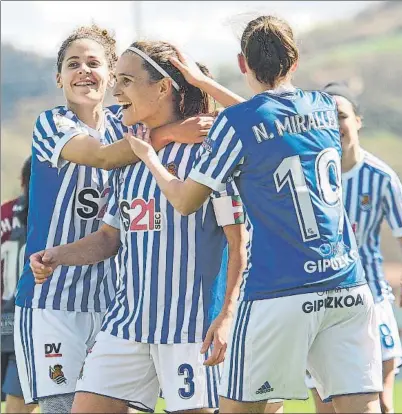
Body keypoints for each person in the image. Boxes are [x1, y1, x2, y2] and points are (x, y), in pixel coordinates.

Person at [125, 15, 384, 414]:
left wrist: (150, 159)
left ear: (243, 64)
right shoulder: (325, 107)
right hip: (347, 287)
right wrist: (205, 84)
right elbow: (269, 117)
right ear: (294, 62)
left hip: (279, 292)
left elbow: (184, 200)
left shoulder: (237, 123)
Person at [30, 40, 248, 414]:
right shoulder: (130, 158)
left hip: (190, 329)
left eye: (126, 80)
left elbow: (239, 240)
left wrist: (227, 315)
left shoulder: (208, 151)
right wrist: (57, 256)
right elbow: (109, 238)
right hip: (126, 325)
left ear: (162, 87)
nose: (116, 91)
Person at [305, 82, 402, 414]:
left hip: (373, 298)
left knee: (381, 402)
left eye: (341, 116)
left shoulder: (379, 175)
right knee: (328, 407)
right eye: (326, 117)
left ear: (357, 120)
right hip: (322, 304)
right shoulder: (307, 175)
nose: (335, 124)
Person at [1, 157, 37, 413]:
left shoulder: (3, 213)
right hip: (34, 320)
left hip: (5, 320)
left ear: (22, 181)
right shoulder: (51, 216)